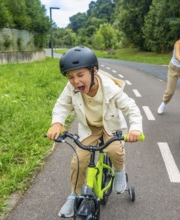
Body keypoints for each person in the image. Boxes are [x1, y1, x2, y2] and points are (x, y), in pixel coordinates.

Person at [46, 46, 143, 218]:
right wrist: (57, 123)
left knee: (114, 150)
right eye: (70, 77)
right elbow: (62, 105)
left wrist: (135, 128)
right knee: (78, 161)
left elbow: (131, 108)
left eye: (80, 75)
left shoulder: (111, 89)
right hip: (90, 128)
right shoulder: (71, 88)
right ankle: (75, 195)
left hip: (110, 126)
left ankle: (120, 172)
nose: (76, 81)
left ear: (94, 71)